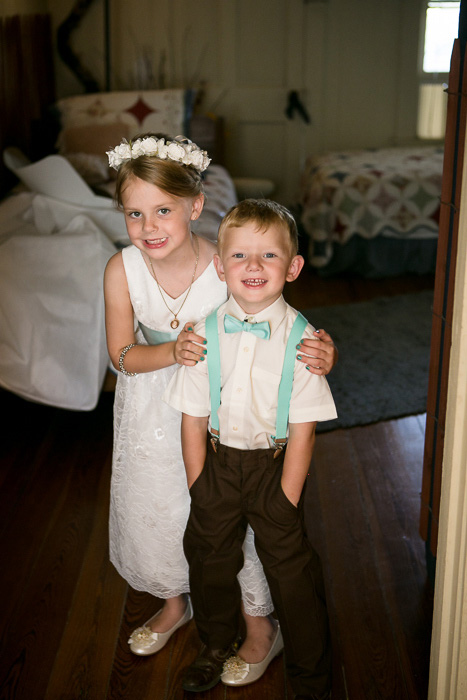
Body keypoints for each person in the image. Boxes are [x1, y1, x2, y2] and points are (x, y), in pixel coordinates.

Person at [103, 134, 337, 678]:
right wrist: (170, 350)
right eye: (134, 214)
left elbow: (273, 319)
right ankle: (174, 602)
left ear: (196, 206)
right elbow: (120, 354)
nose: (149, 227)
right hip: (151, 409)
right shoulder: (122, 269)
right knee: (164, 513)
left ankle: (259, 625)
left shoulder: (227, 262)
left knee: (236, 525)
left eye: (163, 210)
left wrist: (325, 348)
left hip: (227, 416)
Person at [164, 198, 337, 699]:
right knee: (208, 557)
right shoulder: (201, 336)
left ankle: (311, 672)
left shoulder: (305, 344)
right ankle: (216, 644)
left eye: (269, 256)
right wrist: (199, 482)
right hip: (216, 464)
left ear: (294, 266)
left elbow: (303, 429)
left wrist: (286, 497)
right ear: (220, 265)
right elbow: (192, 416)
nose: (254, 267)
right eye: (239, 256)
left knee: (291, 569)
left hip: (274, 466)